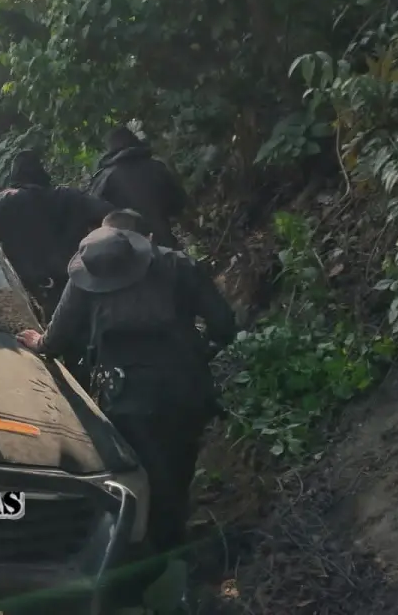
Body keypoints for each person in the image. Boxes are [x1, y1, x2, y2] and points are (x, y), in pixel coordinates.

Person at [17, 209, 236, 555]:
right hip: (186, 388)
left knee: (135, 474)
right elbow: (224, 325)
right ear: (147, 240)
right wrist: (198, 355)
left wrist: (38, 343)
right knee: (178, 466)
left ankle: (131, 551)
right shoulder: (178, 265)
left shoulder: (89, 272)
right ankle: (171, 545)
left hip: (126, 396)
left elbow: (57, 339)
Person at [0, 150, 113, 320]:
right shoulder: (70, 198)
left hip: (23, 292)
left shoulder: (5, 201)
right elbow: (112, 216)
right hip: (71, 289)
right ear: (42, 173)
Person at [88, 126, 188, 249]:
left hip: (124, 251)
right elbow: (179, 204)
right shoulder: (157, 168)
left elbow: (92, 218)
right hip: (162, 244)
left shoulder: (103, 179)